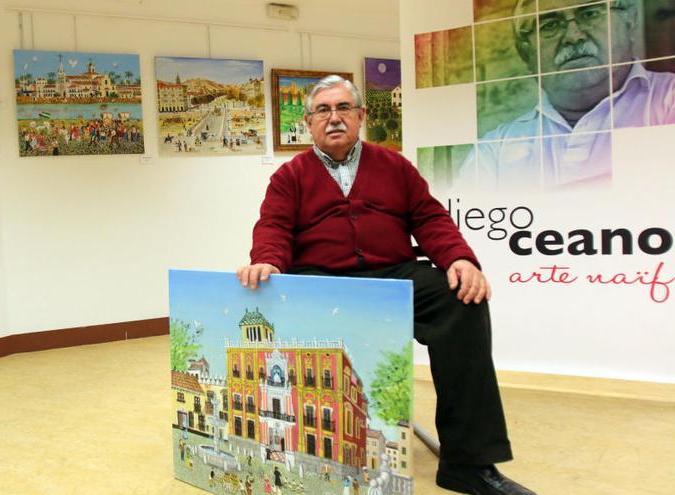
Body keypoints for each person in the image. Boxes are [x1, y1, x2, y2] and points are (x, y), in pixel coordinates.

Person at [236, 75, 535, 495]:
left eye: (343, 109)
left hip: (393, 274)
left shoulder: (395, 166)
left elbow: (430, 218)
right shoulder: (289, 176)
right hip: (324, 279)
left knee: (462, 302)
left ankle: (468, 463)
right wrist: (266, 259)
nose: (334, 118)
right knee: (290, 302)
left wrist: (460, 259)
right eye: (323, 110)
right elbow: (274, 226)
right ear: (308, 122)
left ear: (361, 117)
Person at [460, 0, 675, 190]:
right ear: (526, 53)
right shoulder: (495, 151)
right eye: (549, 25)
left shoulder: (668, 99)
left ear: (630, 22)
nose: (573, 37)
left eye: (590, 13)